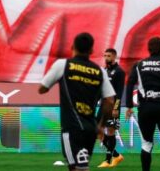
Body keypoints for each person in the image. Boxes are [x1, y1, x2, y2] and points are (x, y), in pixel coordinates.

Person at [38, 32, 116, 171]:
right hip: (90, 129)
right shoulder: (99, 71)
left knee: (76, 168)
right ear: (91, 50)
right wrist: (101, 125)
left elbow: (42, 89)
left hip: (72, 128)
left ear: (72, 47)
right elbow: (110, 100)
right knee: (81, 166)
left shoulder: (63, 65)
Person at [125, 36, 160, 171]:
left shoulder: (139, 65)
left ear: (148, 49)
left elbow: (130, 84)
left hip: (146, 107)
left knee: (146, 144)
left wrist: (129, 106)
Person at [98, 47, 126, 168]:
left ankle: (108, 160)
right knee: (96, 130)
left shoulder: (119, 72)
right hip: (103, 105)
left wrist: (116, 107)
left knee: (110, 131)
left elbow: (119, 93)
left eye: (108, 56)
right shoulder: (104, 71)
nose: (106, 58)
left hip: (113, 106)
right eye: (104, 56)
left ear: (114, 57)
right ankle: (116, 155)